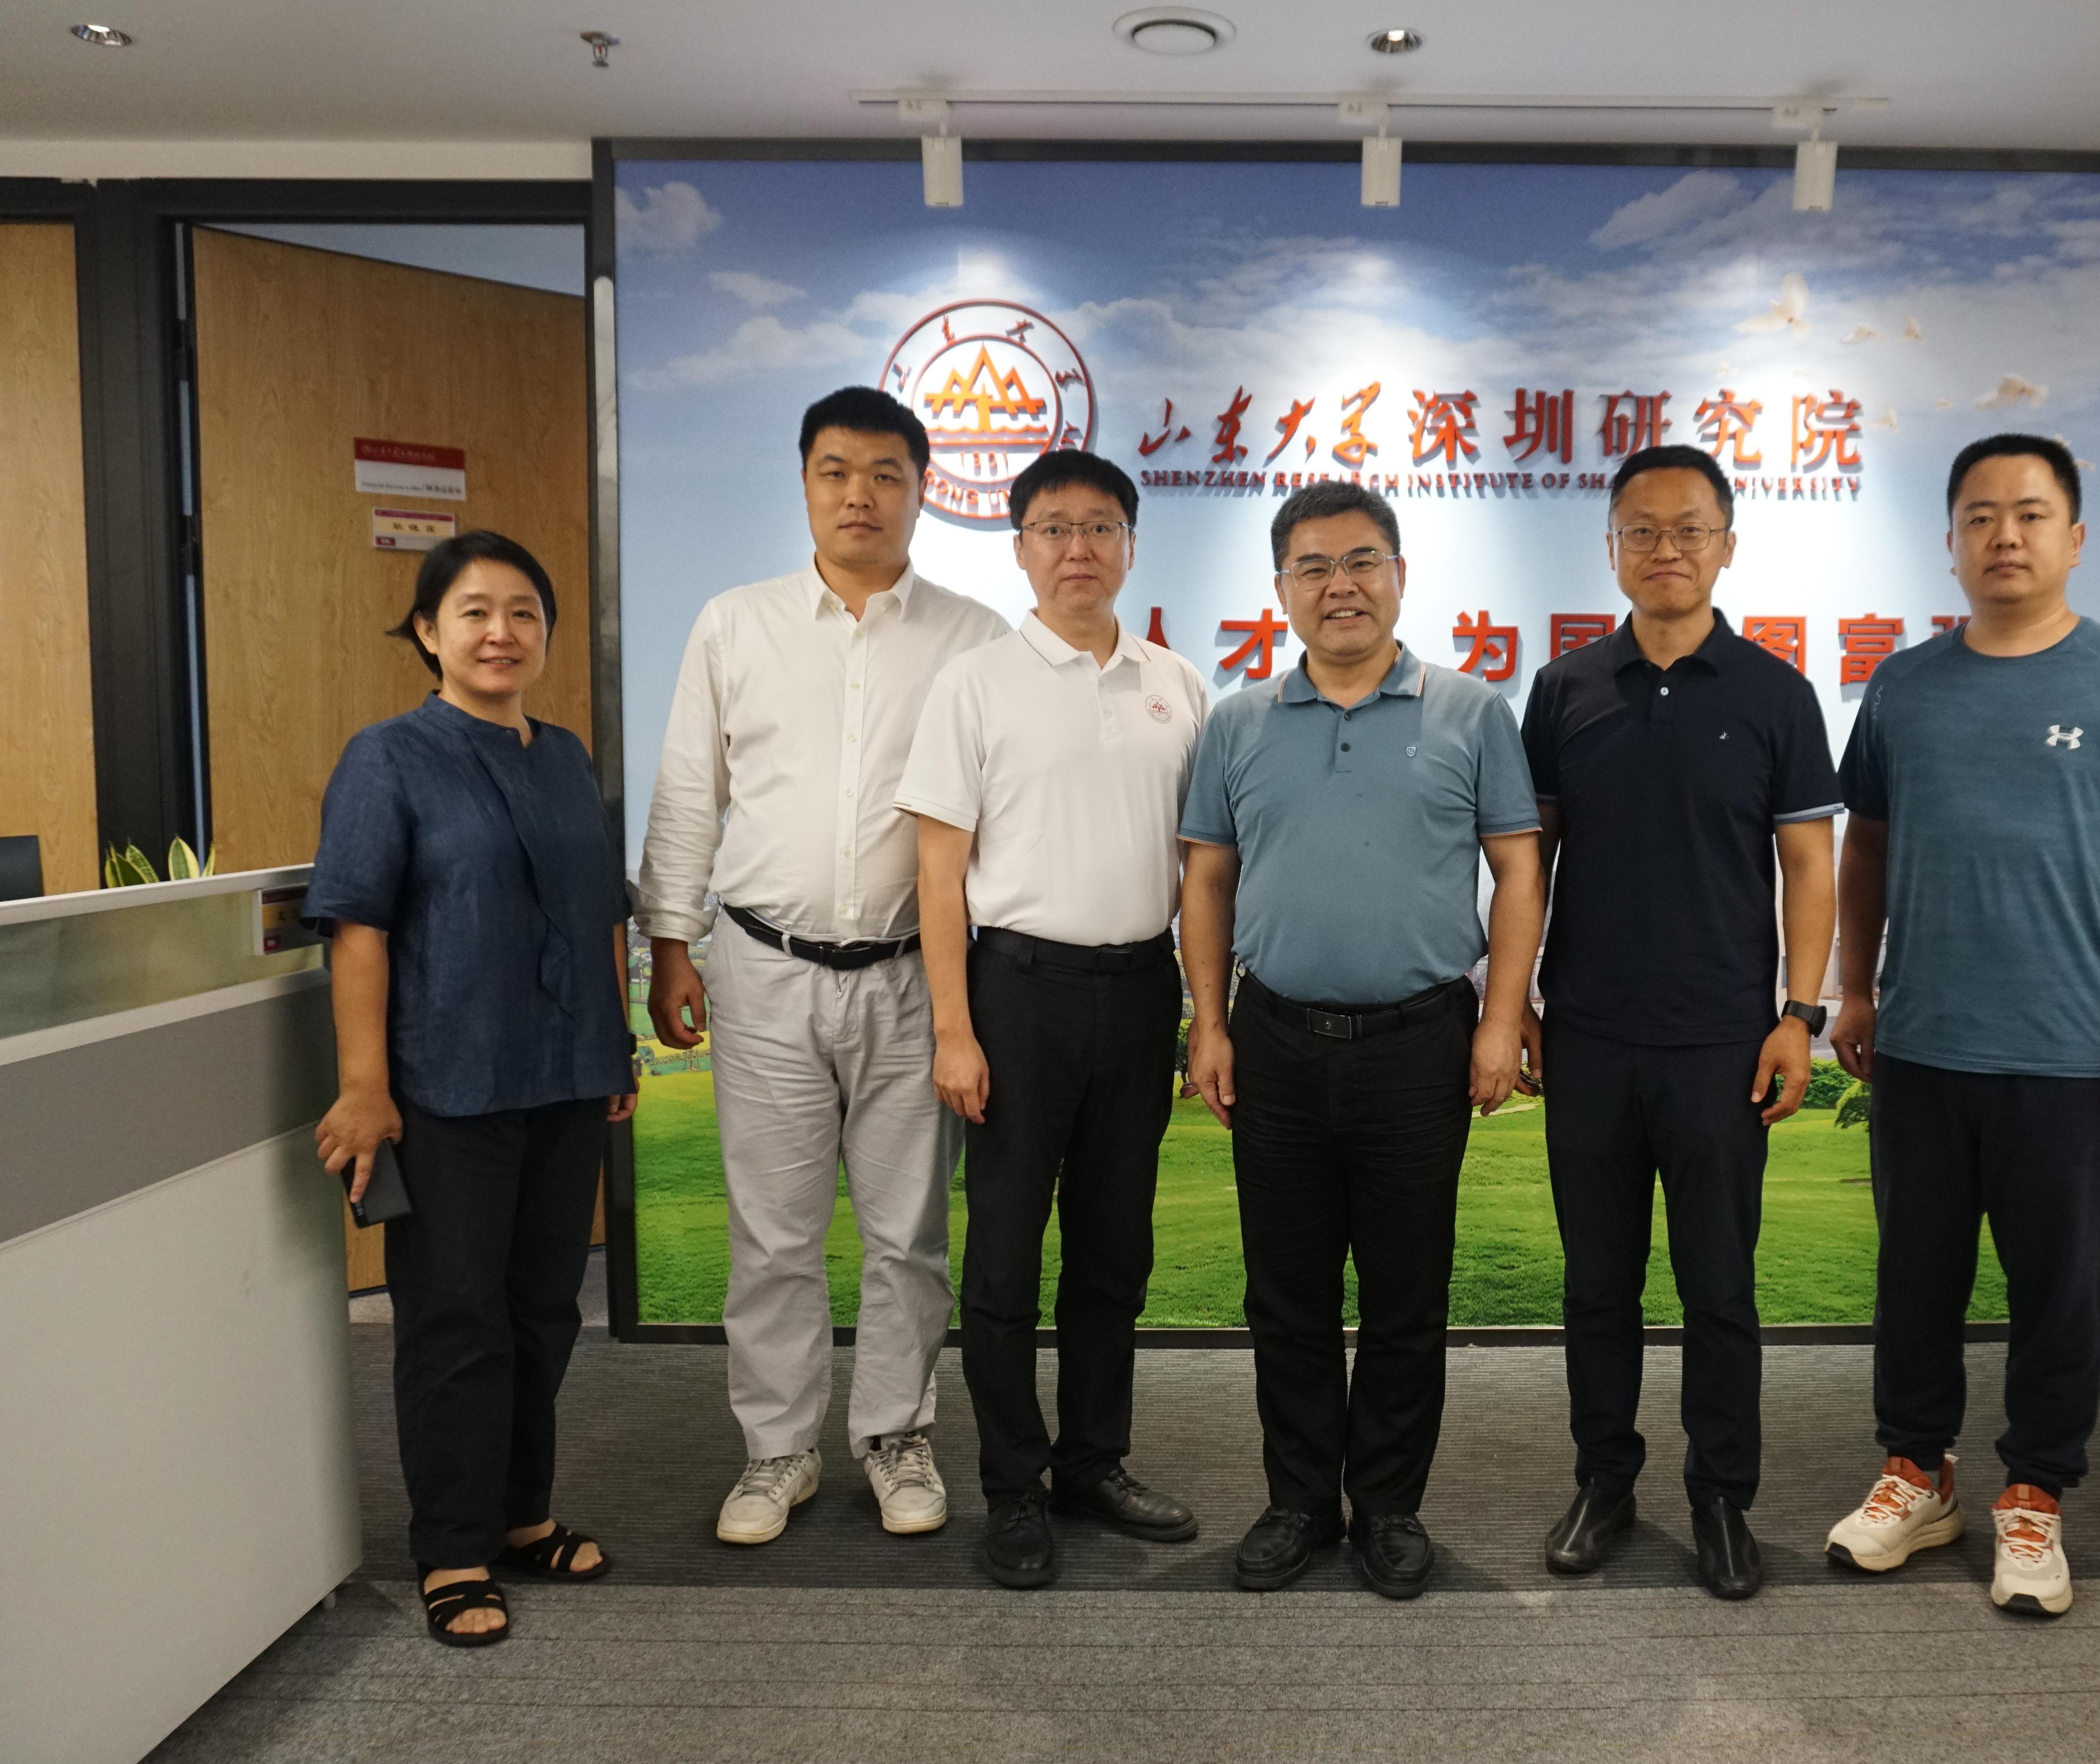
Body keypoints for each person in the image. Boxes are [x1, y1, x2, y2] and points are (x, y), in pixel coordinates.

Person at [1826, 434, 2100, 1618]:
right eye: (1980, 515)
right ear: (1949, 540)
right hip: (1924, 1044)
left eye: (2031, 513)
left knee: (2061, 1289)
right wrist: (1854, 987)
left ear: (2075, 537)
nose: (2005, 534)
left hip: (2071, 1052)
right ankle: (1918, 1472)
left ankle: (2036, 1493)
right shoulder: (1904, 686)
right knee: (1916, 1279)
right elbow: (1866, 844)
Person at [637, 386, 1008, 1548]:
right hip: (764, 968)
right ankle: (778, 1445)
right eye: (837, 470)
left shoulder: (974, 636)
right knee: (775, 1231)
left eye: (887, 473)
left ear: (922, 490)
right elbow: (690, 789)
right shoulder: (733, 624)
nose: (861, 494)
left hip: (913, 975)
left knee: (909, 1233)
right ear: (804, 483)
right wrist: (669, 942)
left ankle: (896, 1432)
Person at [1179, 480, 1546, 1601]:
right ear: (1281, 587)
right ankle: (1299, 1499)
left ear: (1399, 574)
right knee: (1284, 1291)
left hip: (1419, 1042)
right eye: (1313, 566)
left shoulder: (1473, 710)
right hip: (1275, 1038)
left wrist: (1499, 1019)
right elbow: (1207, 878)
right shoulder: (1238, 720)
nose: (1339, 585)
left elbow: (1518, 869)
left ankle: (1388, 1504)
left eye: (1361, 561)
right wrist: (1208, 1022)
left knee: (1405, 1292)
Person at [1518, 444, 1840, 1600]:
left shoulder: (1776, 692)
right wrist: (1518, 1004)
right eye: (1643, 531)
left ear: (1727, 545)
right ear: (1612, 548)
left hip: (1722, 1041)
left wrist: (1800, 1013)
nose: (1667, 549)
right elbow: (1529, 863)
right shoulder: (1564, 689)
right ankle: (1605, 1480)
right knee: (1597, 1284)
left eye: (1690, 529)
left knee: (1719, 1285)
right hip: (1589, 1034)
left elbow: (1811, 864)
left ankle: (1722, 1496)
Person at [309, 531, 637, 1647]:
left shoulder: (565, 756)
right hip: (447, 1085)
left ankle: (520, 1513)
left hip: (566, 1080)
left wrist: (612, 1045)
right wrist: (365, 1087)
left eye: (523, 612)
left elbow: (598, 913)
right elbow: (358, 927)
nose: (502, 632)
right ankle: (453, 1546)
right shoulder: (387, 757)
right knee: (456, 1318)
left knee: (544, 1309)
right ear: (428, 631)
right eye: (475, 612)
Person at [897, 450, 1210, 1589]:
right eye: (1054, 528)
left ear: (1130, 542)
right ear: (1021, 546)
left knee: (1115, 1249)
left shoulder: (1178, 683)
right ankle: (1013, 1485)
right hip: (1017, 993)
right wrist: (953, 1028)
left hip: (1140, 990)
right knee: (1004, 1256)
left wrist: (1205, 1013)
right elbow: (940, 872)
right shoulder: (976, 682)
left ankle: (1092, 1461)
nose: (1079, 548)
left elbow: (1204, 869)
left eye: (1101, 526)